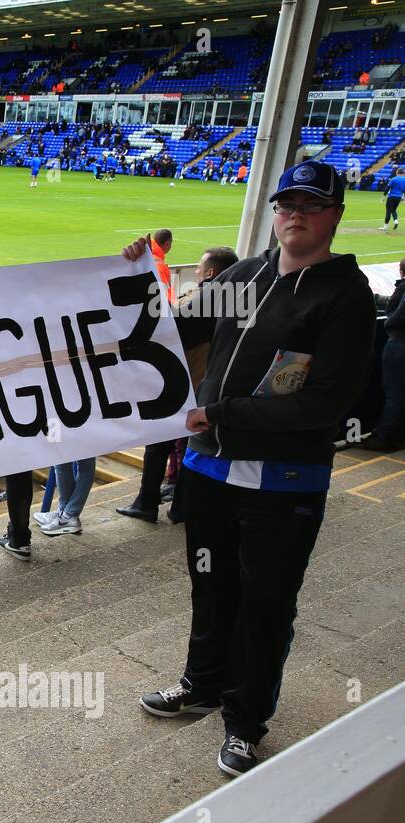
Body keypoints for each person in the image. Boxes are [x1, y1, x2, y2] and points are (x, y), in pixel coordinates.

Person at [126, 161, 375, 777]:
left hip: (284, 483)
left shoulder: (346, 295)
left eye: (312, 205)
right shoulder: (247, 273)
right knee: (211, 589)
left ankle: (245, 721)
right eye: (287, 202)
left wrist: (221, 412)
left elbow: (326, 403)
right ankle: (203, 683)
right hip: (211, 474)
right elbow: (171, 328)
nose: (296, 214)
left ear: (334, 216)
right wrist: (128, 276)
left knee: (266, 603)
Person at [118, 246, 239, 524]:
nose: (195, 272)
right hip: (209, 389)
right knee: (188, 447)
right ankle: (180, 505)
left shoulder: (204, 299)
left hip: (188, 388)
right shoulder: (242, 300)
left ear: (210, 272)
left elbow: (172, 329)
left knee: (160, 445)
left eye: (199, 267)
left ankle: (147, 503)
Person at [361, 255, 405, 451]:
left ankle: (384, 436)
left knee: (393, 392)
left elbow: (397, 315)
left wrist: (389, 324)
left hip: (399, 345)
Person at [381, 166, 405, 231]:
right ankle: (396, 220)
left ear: (397, 172)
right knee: (393, 210)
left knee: (388, 211)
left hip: (391, 196)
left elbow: (388, 188)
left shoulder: (394, 179)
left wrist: (383, 196)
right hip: (399, 197)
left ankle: (385, 226)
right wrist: (403, 197)